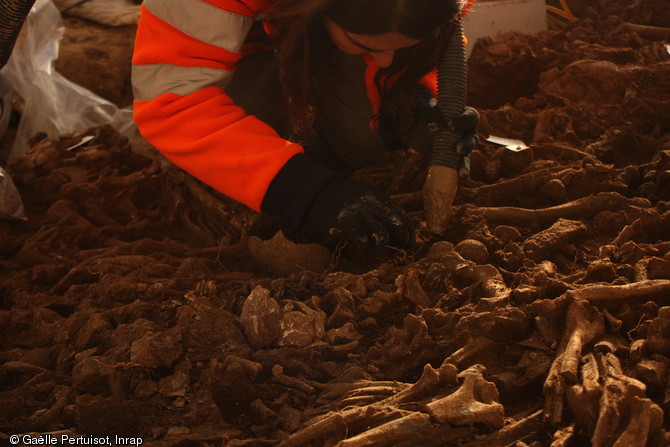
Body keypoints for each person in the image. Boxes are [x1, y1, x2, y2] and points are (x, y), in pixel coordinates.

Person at [131, 0, 477, 250]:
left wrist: (410, 102)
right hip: (232, 35)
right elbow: (175, 101)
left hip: (319, 21)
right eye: (364, 42)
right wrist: (302, 191)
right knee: (240, 138)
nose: (386, 59)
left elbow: (422, 34)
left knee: (360, 140)